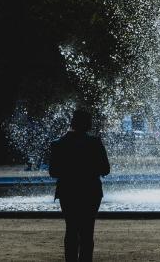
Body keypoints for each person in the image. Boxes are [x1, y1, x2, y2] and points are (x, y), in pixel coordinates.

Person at [49, 107, 110, 262]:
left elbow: (53, 172)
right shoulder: (95, 143)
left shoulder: (58, 143)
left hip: (68, 190)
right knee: (87, 231)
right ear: (88, 124)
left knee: (71, 229)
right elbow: (106, 169)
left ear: (72, 123)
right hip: (91, 191)